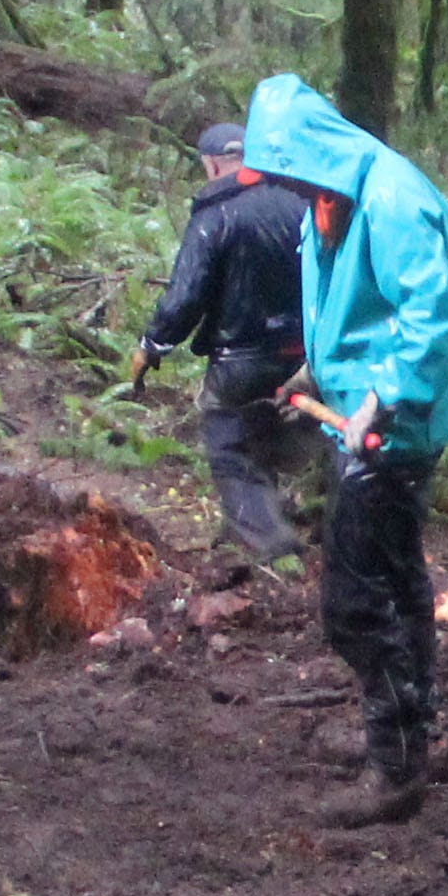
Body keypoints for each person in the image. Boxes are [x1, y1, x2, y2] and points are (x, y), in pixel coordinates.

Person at [231, 75, 448, 828]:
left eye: (285, 172)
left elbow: (434, 313)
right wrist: (317, 369)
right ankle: (414, 730)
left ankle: (395, 764)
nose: (281, 187)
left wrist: (383, 395)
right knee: (400, 580)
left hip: (394, 425)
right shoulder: (329, 201)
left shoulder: (393, 199)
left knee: (352, 599)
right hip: (359, 408)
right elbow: (348, 308)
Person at [134, 120, 318, 563]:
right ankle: (289, 522)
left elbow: (186, 295)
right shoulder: (303, 204)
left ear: (212, 165)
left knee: (229, 447)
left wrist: (152, 345)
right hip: (308, 357)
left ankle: (271, 548)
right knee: (276, 436)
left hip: (240, 359)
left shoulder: (216, 213)